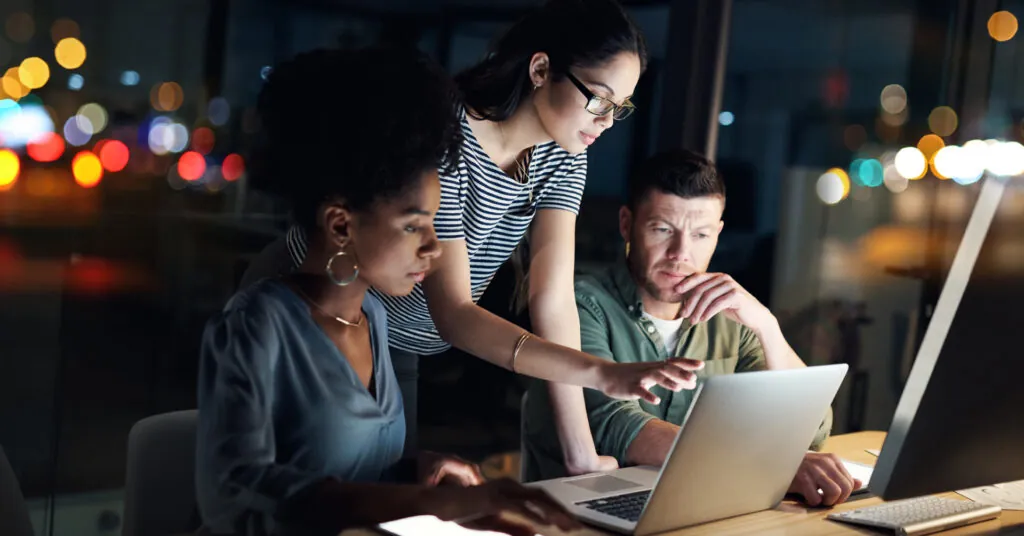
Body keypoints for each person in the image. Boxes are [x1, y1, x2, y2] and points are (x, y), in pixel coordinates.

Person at [241, 0, 702, 475]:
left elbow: (554, 300)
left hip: (395, 335)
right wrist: (602, 373)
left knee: (384, 485)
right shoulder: (444, 133)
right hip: (318, 298)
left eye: (619, 108)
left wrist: (579, 451)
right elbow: (455, 313)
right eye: (599, 99)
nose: (606, 121)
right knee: (292, 478)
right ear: (541, 69)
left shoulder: (565, 156)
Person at [195, 47, 581, 536]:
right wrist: (424, 504)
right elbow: (234, 498)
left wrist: (420, 471)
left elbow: (354, 469)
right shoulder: (255, 326)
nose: (433, 249)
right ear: (341, 225)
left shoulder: (372, 318)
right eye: (414, 227)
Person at [523, 149, 862, 507]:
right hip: (578, 518)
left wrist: (767, 325)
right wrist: (763, 464)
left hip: (696, 508)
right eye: (662, 229)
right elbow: (613, 425)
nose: (680, 253)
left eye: (700, 235)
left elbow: (813, 430)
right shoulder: (579, 306)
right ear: (627, 224)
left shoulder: (732, 317)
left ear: (718, 233)